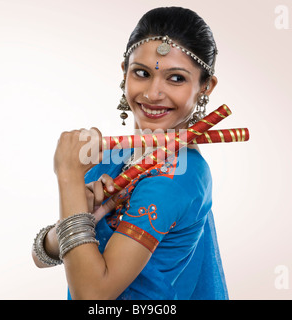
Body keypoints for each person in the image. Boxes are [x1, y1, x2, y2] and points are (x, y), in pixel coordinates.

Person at [32, 6, 229, 300]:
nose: (152, 93)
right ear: (124, 71)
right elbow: (43, 255)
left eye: (176, 78)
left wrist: (68, 177)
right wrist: (81, 213)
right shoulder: (114, 156)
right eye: (142, 73)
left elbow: (92, 296)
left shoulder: (175, 176)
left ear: (205, 87)